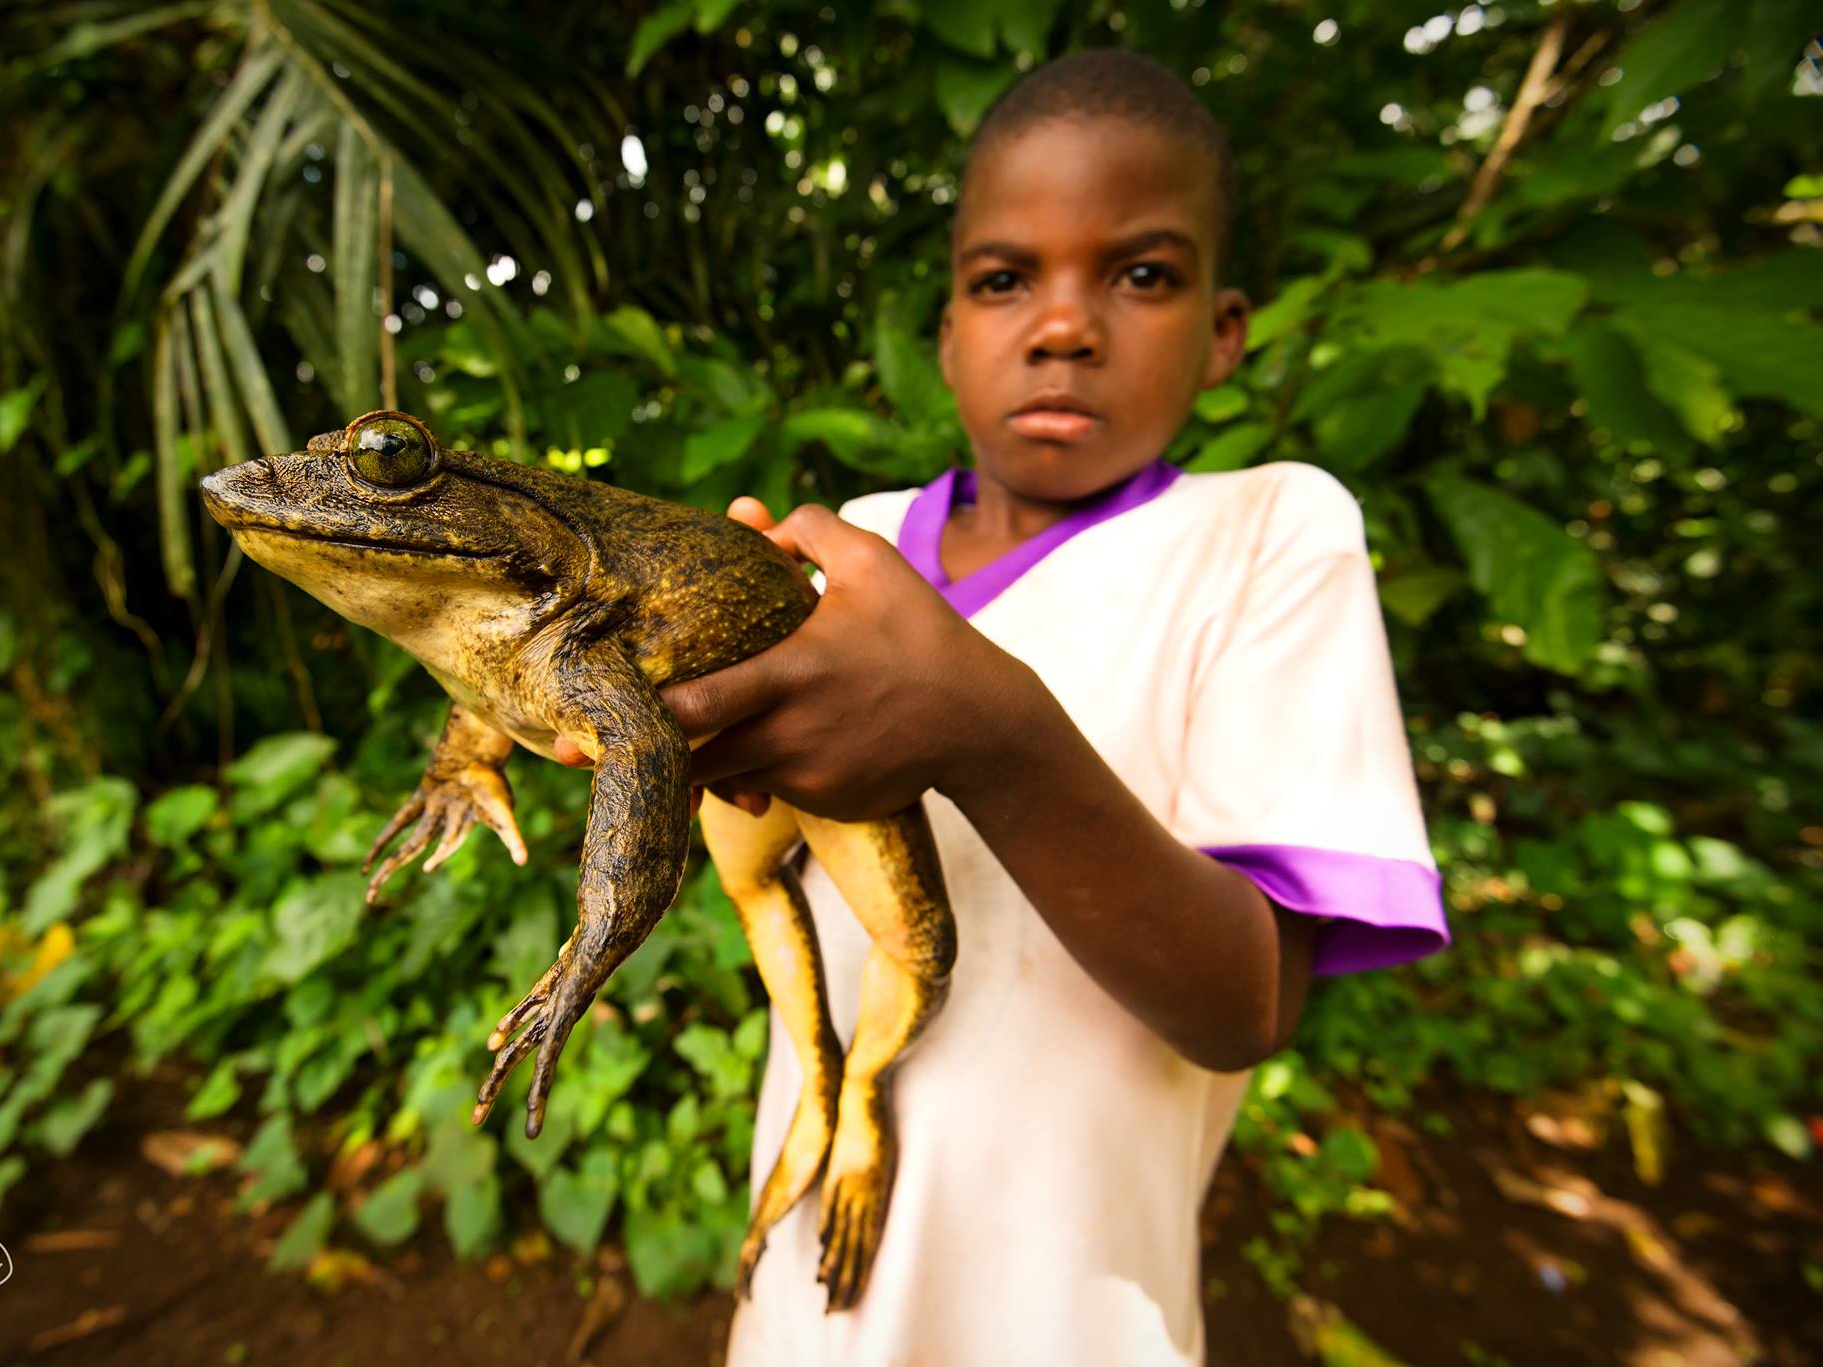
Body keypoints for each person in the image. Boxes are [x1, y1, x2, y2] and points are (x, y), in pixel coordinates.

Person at [559, 47, 1449, 1366]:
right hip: (809, 1293)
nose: (1063, 325)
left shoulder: (1271, 533)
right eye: (1002, 280)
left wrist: (992, 732)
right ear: (948, 333)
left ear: (1224, 329)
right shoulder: (847, 549)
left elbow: (1249, 1004)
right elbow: (758, 854)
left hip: (1073, 1312)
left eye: (1142, 274)